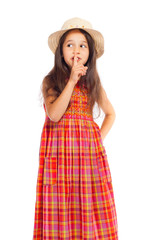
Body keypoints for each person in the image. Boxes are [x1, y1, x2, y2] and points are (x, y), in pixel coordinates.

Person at [33, 17, 119, 240]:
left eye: (83, 45)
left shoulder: (93, 83)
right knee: (61, 207)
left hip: (88, 160)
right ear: (61, 52)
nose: (76, 50)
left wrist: (97, 140)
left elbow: (111, 113)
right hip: (60, 159)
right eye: (69, 44)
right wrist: (71, 81)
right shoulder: (51, 82)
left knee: (90, 207)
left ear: (90, 52)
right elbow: (54, 114)